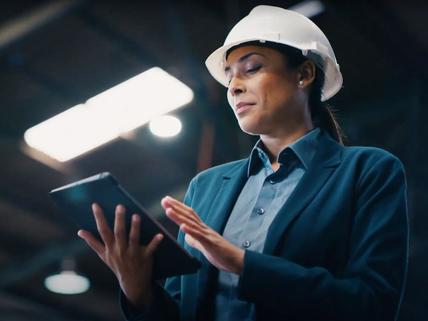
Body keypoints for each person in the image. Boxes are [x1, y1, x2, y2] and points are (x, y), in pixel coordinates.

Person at [77, 5, 408, 321]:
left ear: (304, 74)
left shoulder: (368, 171)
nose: (234, 86)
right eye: (229, 76)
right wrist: (138, 291)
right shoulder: (205, 188)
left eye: (252, 69)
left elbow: (371, 306)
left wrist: (241, 263)